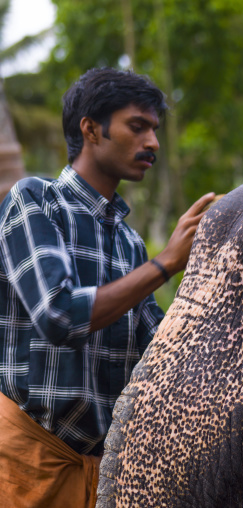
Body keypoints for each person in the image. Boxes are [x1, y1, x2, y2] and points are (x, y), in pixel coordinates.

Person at [0, 67, 215, 507]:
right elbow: (58, 315)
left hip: (101, 473)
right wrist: (166, 263)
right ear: (91, 129)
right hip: (25, 463)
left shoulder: (130, 243)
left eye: (154, 129)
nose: (152, 142)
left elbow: (159, 355)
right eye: (137, 127)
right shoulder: (35, 201)